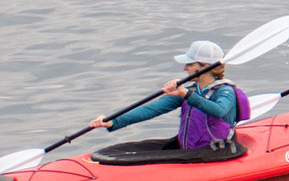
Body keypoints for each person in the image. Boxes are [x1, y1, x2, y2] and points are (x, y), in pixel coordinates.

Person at [89, 40, 249, 161]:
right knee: (137, 149)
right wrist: (112, 122)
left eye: (190, 64)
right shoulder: (191, 90)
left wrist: (186, 94)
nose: (185, 68)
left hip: (217, 151)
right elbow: (151, 109)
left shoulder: (225, 91)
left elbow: (219, 110)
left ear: (204, 66)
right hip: (191, 149)